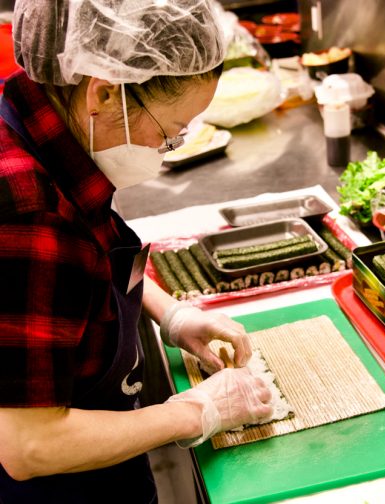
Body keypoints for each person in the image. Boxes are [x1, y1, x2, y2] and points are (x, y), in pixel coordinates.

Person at [0, 1, 273, 502]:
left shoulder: (41, 119)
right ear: (104, 93)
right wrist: (195, 411)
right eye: (171, 133)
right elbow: (28, 444)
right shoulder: (28, 214)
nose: (168, 149)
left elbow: (77, 268)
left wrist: (171, 314)